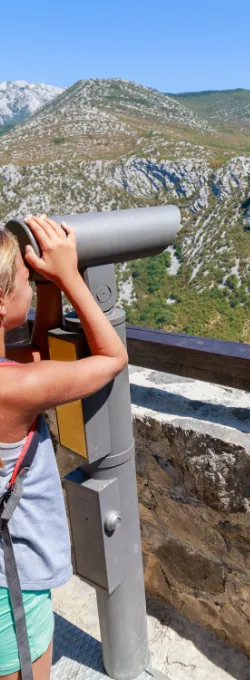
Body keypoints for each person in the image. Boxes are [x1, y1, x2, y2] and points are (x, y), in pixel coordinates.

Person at [0, 215, 128, 680]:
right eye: (25, 281)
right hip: (10, 584)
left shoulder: (11, 378)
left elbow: (37, 357)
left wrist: (47, 287)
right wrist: (69, 276)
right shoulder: (11, 389)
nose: (31, 286)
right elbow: (113, 357)